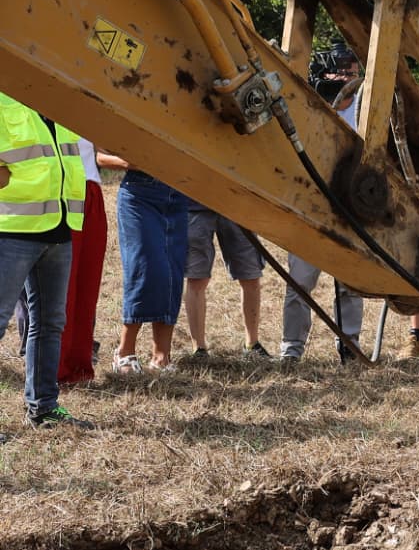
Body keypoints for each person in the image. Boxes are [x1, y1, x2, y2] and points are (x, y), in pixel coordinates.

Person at [0, 91, 93, 429]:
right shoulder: (3, 102)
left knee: (50, 322)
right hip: (10, 230)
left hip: (57, 230)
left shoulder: (57, 103)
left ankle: (43, 408)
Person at [281, 52, 366, 362]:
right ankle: (291, 349)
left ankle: (350, 345)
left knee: (350, 285)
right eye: (340, 72)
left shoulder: (366, 110)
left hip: (350, 208)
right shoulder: (307, 107)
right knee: (300, 282)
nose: (346, 79)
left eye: (352, 72)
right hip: (310, 206)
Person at [99, 154, 187, 373]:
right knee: (144, 270)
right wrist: (134, 162)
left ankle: (161, 357)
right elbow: (100, 156)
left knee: (171, 274)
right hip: (139, 194)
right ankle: (124, 352)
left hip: (178, 191)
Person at [184, 204, 267, 358]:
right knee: (196, 279)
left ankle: (252, 344)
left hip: (237, 204)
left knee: (250, 276)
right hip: (194, 204)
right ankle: (199, 349)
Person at [56, 134, 107, 384]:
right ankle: (54, 369)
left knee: (87, 285)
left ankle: (78, 365)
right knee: (61, 289)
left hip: (90, 188)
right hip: (58, 190)